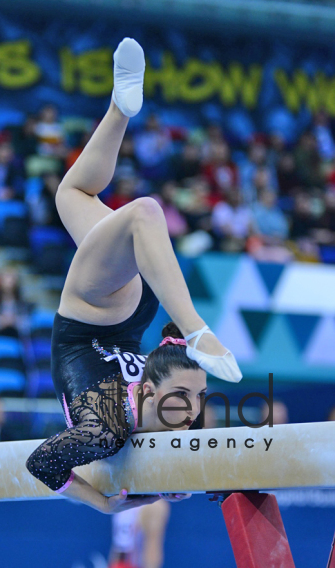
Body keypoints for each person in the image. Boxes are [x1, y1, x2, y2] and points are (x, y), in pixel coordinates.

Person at [25, 38, 242, 514]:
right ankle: (193, 331)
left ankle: (120, 108)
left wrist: (106, 506)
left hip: (87, 317)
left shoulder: (105, 428)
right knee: (131, 211)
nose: (188, 412)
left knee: (80, 197)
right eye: (190, 399)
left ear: (145, 394)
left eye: (186, 401)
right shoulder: (183, 422)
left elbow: (42, 463)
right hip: (126, 315)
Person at [108, 498, 170, 568]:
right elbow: (118, 545)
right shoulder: (120, 501)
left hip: (128, 562)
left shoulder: (120, 501)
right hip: (121, 562)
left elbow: (152, 546)